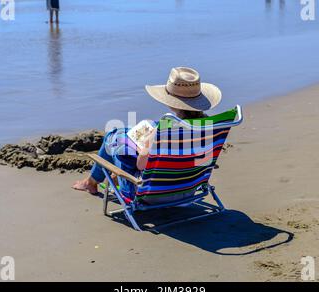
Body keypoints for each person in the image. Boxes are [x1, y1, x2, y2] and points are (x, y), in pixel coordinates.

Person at [72, 67, 222, 198]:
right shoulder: (208, 128)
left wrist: (142, 147)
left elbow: (142, 164)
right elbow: (204, 160)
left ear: (171, 101)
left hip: (149, 192)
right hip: (187, 189)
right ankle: (122, 144)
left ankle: (91, 182)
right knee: (132, 131)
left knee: (113, 137)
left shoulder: (163, 130)